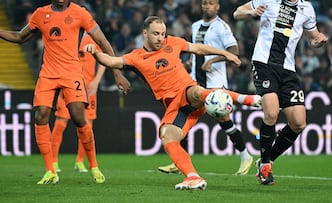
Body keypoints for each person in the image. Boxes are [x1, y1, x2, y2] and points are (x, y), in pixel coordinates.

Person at [84, 15, 261, 190]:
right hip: (177, 108)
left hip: (188, 93)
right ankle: (193, 177)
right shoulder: (135, 57)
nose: (161, 38)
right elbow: (111, 61)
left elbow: (198, 48)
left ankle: (248, 99)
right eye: (156, 34)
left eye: (163, 33)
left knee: (196, 91)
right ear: (145, 33)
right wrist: (96, 52)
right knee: (167, 136)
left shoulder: (173, 43)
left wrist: (223, 53)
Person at [0, 0, 130, 184]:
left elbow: (103, 42)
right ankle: (50, 171)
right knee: (41, 116)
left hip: (72, 73)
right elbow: (20, 37)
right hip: (48, 73)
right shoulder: (40, 14)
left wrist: (117, 73)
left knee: (78, 117)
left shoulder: (81, 13)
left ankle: (93, 165)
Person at [233, 0, 328, 185]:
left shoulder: (306, 8)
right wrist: (251, 13)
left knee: (299, 123)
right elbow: (237, 12)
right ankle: (265, 167)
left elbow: (313, 37)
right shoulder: (268, 0)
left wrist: (318, 41)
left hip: (288, 69)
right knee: (271, 112)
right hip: (264, 63)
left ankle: (266, 160)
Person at [157, 0, 253, 176]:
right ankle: (179, 161)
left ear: (217, 7)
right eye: (204, 3)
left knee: (225, 122)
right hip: (195, 82)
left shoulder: (222, 27)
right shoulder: (195, 26)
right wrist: (190, 63)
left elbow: (234, 50)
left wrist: (213, 60)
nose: (207, 6)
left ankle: (245, 156)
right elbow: (196, 51)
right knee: (183, 117)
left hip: (215, 82)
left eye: (211, 3)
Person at [51, 33, 106, 173]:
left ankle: (80, 161)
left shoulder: (93, 38)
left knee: (87, 124)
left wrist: (96, 81)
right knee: (61, 122)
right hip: (68, 84)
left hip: (88, 88)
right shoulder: (66, 36)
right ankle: (53, 161)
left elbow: (104, 59)